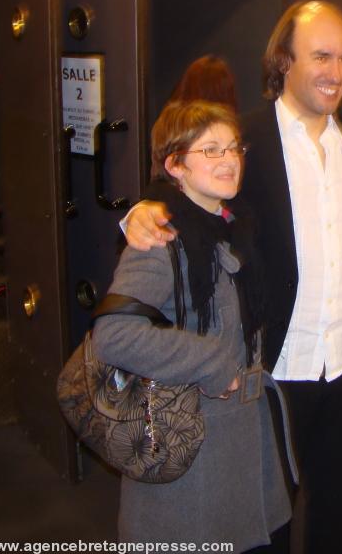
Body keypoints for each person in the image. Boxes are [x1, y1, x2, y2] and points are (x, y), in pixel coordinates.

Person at [126, 0, 342, 554]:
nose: (336, 72)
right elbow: (180, 188)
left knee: (336, 507)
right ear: (283, 60)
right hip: (277, 365)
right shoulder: (246, 140)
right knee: (269, 517)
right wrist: (138, 213)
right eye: (320, 56)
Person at [92, 100, 292, 550]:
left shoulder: (235, 226)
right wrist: (210, 362)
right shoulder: (160, 239)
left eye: (234, 148)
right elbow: (114, 333)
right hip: (193, 447)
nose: (228, 160)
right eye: (211, 150)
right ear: (175, 165)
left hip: (245, 438)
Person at [151, 55, 238, 178]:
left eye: (234, 149)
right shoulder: (228, 127)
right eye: (211, 150)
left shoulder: (168, 123)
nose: (231, 160)